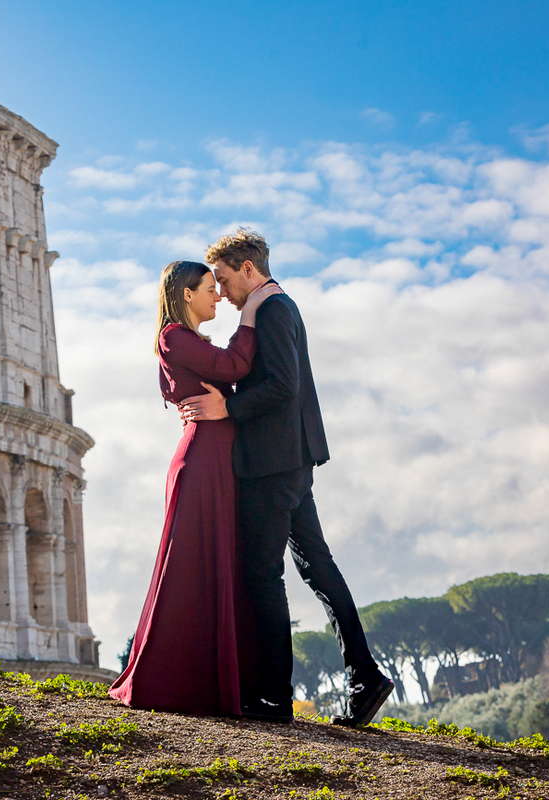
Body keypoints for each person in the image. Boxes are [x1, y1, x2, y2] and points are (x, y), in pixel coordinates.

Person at [179, 229, 394, 726]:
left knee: (263, 575)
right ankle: (365, 676)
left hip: (273, 464)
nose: (225, 293)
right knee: (318, 567)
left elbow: (281, 386)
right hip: (292, 458)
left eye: (226, 279)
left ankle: (274, 697)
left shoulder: (273, 310)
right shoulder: (278, 307)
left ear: (248, 270)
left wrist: (226, 408)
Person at [109, 260, 281, 715]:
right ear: (186, 293)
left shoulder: (185, 341)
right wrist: (252, 314)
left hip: (212, 457)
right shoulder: (173, 337)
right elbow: (235, 363)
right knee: (193, 566)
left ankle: (214, 680)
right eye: (209, 288)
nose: (218, 296)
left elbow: (225, 370)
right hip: (203, 459)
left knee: (213, 562)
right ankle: (177, 681)